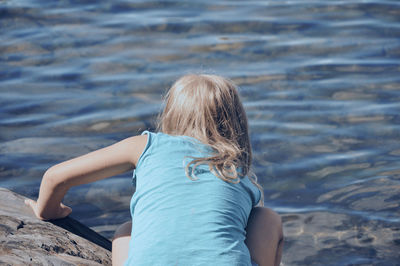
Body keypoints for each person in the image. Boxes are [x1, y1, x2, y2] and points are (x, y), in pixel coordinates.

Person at [26, 74, 283, 266]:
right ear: (237, 122)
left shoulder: (145, 146)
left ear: (171, 113)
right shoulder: (237, 175)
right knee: (266, 219)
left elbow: (55, 177)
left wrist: (48, 211)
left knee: (128, 229)